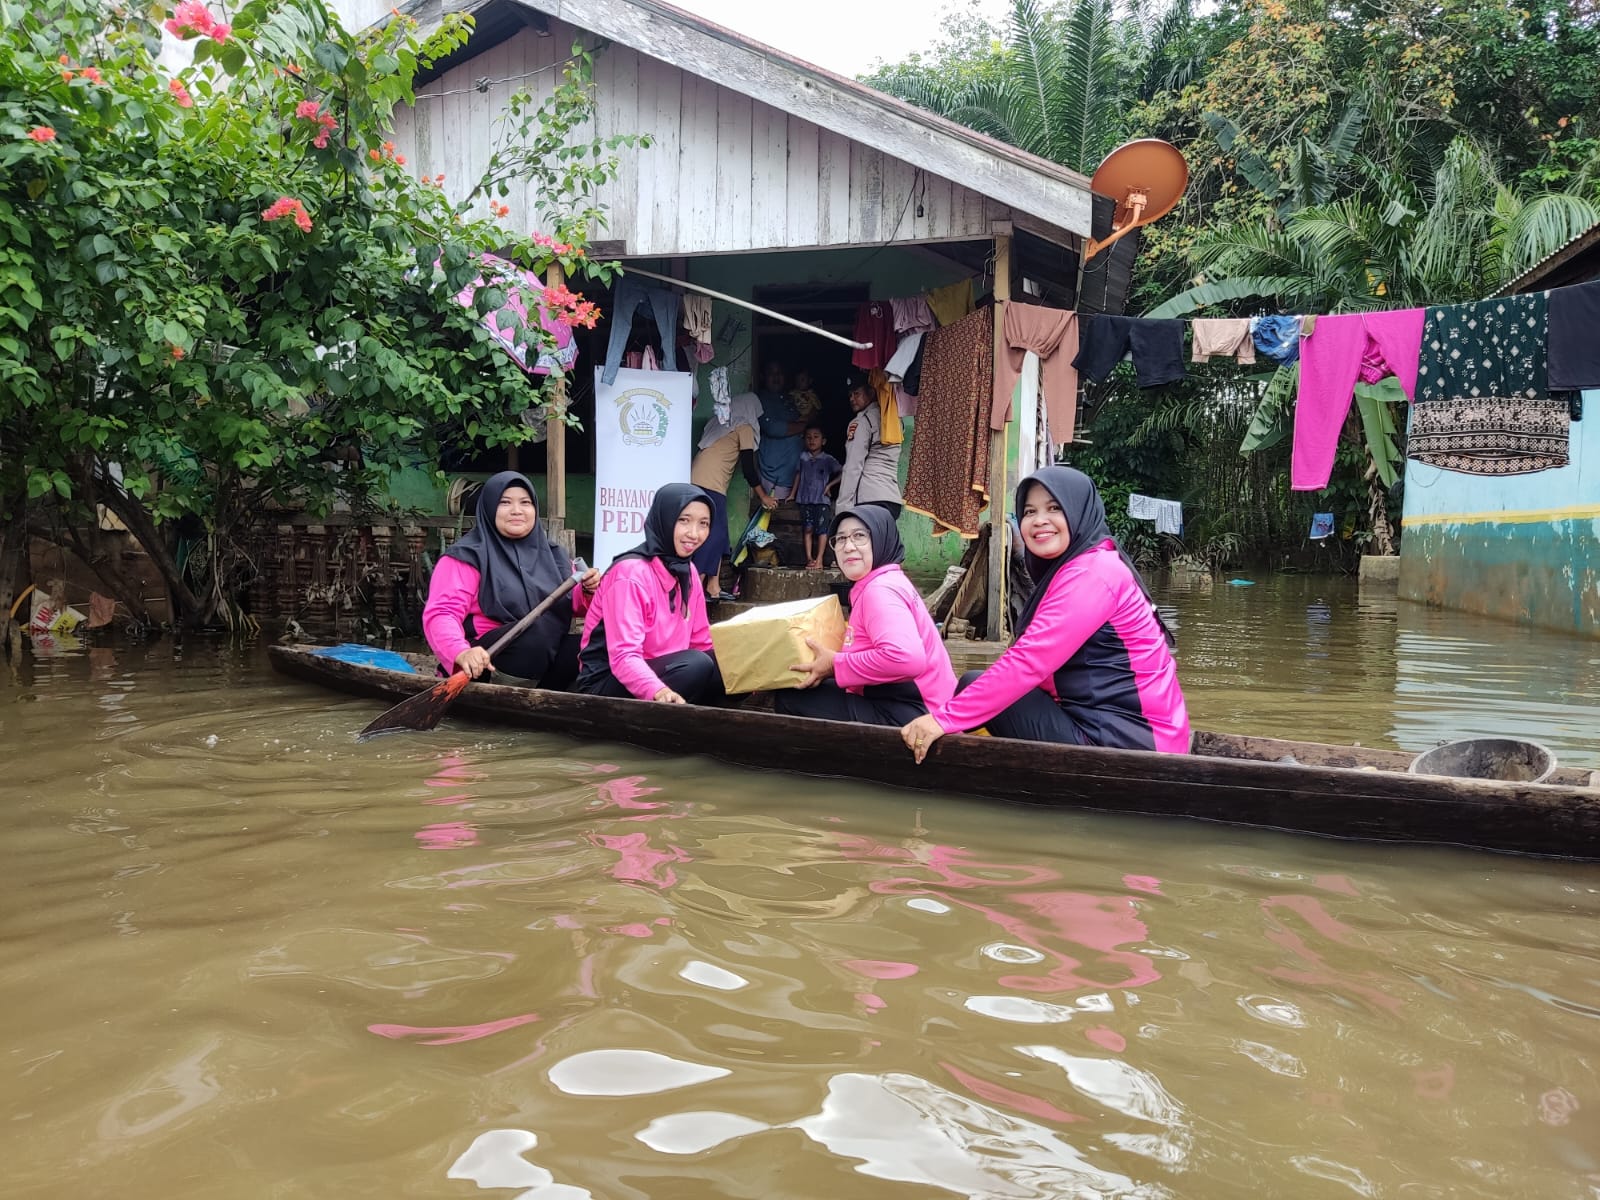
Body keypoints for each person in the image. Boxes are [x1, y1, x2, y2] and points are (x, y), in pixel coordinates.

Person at [901, 466, 1190, 761]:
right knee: (978, 689)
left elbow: (1029, 661)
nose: (1039, 521)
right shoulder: (1084, 565)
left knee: (973, 685)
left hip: (1134, 745)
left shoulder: (1094, 573)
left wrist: (943, 718)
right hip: (1129, 730)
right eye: (1029, 511)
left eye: (1054, 508)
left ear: (1078, 512)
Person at [778, 506, 956, 726]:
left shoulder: (879, 591)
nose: (848, 546)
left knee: (790, 697)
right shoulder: (884, 581)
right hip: (921, 704)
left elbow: (906, 659)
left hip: (919, 714)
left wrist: (835, 664)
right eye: (840, 539)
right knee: (806, 683)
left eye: (859, 536)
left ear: (881, 539)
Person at [423, 471, 600, 687]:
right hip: (484, 662)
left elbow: (574, 603)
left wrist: (589, 591)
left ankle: (560, 699)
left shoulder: (554, 555)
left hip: (543, 657)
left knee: (599, 643)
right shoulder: (466, 557)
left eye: (525, 503)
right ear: (489, 508)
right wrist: (461, 653)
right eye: (505, 502)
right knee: (533, 635)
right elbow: (442, 614)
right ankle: (511, 703)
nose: (517, 511)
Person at [573, 483, 725, 705]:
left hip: (666, 671)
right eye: (684, 520)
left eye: (704, 524)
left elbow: (701, 641)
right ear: (665, 519)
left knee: (727, 667)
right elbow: (624, 656)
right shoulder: (630, 574)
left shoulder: (689, 571)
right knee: (696, 665)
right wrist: (658, 691)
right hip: (607, 681)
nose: (694, 533)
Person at [690, 391, 775, 601]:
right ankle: (696, 588)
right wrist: (764, 496)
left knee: (719, 536)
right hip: (711, 484)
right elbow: (748, 468)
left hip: (696, 479)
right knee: (714, 535)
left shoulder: (717, 422)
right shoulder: (744, 426)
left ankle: (714, 586)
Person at [837, 376, 903, 520]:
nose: (852, 399)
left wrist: (842, 509)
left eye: (857, 393)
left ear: (871, 393)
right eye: (850, 395)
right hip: (892, 500)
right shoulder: (892, 419)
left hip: (870, 499)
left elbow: (853, 467)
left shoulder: (862, 421)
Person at [790, 425, 842, 570]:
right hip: (805, 499)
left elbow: (842, 472)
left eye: (816, 437)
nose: (812, 440)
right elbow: (798, 475)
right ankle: (809, 559)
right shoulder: (803, 457)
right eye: (809, 437)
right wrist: (793, 494)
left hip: (821, 500)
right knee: (807, 529)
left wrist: (829, 485)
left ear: (823, 441)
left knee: (822, 530)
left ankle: (819, 559)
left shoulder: (828, 459)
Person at [754, 361, 804, 501]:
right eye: (771, 373)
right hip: (773, 476)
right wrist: (804, 425)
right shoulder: (761, 399)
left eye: (779, 373)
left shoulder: (792, 398)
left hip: (795, 476)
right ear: (763, 376)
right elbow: (773, 428)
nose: (776, 377)